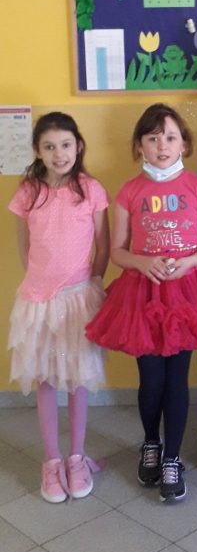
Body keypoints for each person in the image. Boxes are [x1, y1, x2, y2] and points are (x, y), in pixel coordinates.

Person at [86, 103, 197, 503]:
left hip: (187, 292)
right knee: (151, 379)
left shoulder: (196, 187)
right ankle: (151, 442)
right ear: (139, 145)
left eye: (170, 137)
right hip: (143, 293)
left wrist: (189, 261)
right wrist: (143, 262)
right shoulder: (129, 191)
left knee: (177, 379)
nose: (162, 145)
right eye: (153, 138)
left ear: (184, 144)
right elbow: (118, 251)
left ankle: (173, 458)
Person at [8, 112, 109, 504]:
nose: (59, 153)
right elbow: (25, 247)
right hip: (38, 302)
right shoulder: (28, 192)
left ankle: (76, 457)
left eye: (65, 145)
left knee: (78, 379)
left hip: (79, 297)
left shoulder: (91, 189)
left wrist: (93, 282)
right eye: (49, 147)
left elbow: (103, 243)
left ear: (78, 146)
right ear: (38, 151)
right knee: (46, 380)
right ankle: (51, 461)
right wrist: (40, 284)